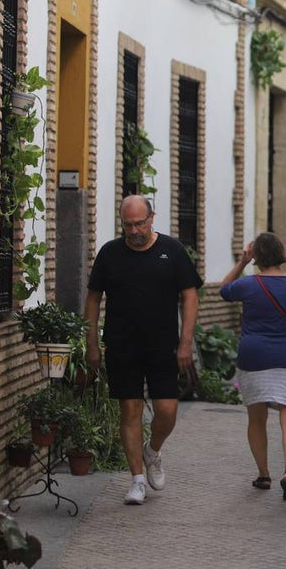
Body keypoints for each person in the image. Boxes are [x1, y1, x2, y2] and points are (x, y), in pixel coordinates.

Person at [84, 195, 202, 505]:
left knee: (167, 411)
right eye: (128, 225)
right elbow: (94, 298)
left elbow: (190, 296)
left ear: (152, 218)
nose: (134, 230)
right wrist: (91, 343)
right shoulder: (110, 254)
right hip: (122, 345)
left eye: (140, 223)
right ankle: (136, 479)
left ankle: (153, 450)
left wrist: (186, 343)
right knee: (130, 410)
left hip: (163, 345)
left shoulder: (172, 251)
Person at [220, 232, 286, 500]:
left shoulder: (248, 285)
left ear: (257, 256)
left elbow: (224, 290)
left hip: (254, 357)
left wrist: (242, 262)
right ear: (281, 253)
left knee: (256, 418)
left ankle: (263, 473)